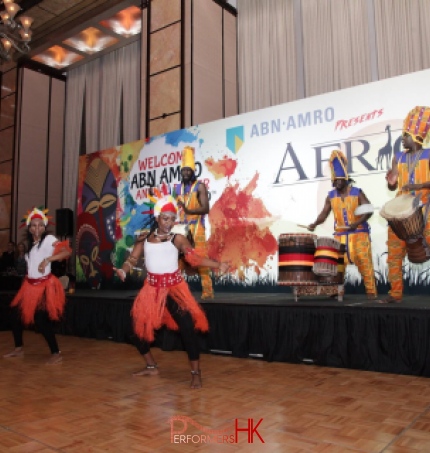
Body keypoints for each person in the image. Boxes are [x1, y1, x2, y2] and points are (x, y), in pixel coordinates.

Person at [114, 195, 228, 389]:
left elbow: (194, 258)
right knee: (135, 331)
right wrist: (123, 270)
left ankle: (195, 372)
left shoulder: (177, 239)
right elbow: (132, 259)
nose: (169, 222)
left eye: (172, 218)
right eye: (165, 218)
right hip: (151, 290)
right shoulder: (144, 238)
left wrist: (218, 264)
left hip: (174, 290)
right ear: (157, 217)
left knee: (187, 330)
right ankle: (151, 366)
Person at [3, 207, 72, 364]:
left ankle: (56, 353)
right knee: (14, 315)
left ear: (45, 227)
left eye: (41, 225)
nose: (37, 228)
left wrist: (48, 260)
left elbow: (66, 251)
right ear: (29, 227)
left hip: (43, 285)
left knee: (40, 320)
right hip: (29, 285)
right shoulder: (30, 244)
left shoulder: (48, 240)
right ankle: (18, 348)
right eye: (34, 225)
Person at [308, 150, 377, 299]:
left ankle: (371, 292)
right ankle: (336, 290)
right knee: (338, 266)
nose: (338, 183)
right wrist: (314, 223)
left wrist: (357, 223)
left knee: (365, 263)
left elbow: (369, 209)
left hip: (359, 234)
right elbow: (323, 214)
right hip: (340, 236)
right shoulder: (331, 196)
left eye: (340, 180)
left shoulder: (357, 192)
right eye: (335, 180)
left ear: (346, 178)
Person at [382, 106, 430, 303]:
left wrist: (418, 185)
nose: (402, 139)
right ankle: (395, 293)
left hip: (425, 208)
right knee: (393, 255)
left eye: (405, 135)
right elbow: (393, 187)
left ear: (417, 137)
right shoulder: (398, 157)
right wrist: (391, 182)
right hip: (401, 213)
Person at [175, 146, 214, 299]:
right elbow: (173, 206)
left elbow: (206, 208)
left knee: (201, 259)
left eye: (188, 170)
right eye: (183, 170)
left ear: (193, 171)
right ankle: (177, 293)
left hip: (197, 227)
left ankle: (208, 292)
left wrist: (188, 210)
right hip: (181, 228)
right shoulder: (177, 188)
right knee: (178, 260)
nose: (185, 173)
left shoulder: (200, 186)